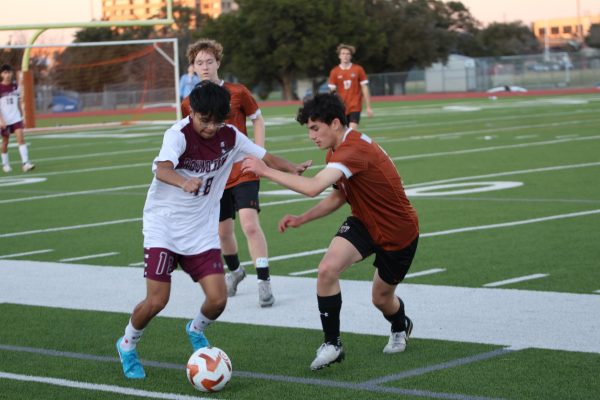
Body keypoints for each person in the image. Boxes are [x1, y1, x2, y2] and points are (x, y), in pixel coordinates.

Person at [116, 81, 310, 379]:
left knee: (218, 299)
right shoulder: (178, 134)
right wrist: (183, 182)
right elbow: (162, 168)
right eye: (204, 120)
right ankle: (128, 343)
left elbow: (264, 157)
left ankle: (195, 330)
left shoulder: (230, 135)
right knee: (158, 300)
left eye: (216, 121)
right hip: (163, 226)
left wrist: (291, 167)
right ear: (192, 111)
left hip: (200, 229)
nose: (209, 127)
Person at [241, 93, 419, 371]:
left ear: (335, 123)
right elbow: (339, 196)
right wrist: (303, 218)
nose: (311, 135)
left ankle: (400, 324)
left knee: (381, 298)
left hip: (397, 230)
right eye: (309, 129)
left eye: (315, 128)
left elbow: (313, 187)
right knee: (326, 269)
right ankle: (332, 344)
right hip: (363, 221)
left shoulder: (353, 149)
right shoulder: (337, 150)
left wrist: (265, 171)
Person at [181, 39, 274, 307]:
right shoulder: (190, 102)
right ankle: (235, 271)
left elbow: (258, 119)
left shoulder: (237, 91)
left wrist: (257, 151)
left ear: (218, 63)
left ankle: (264, 282)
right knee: (222, 233)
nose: (205, 67)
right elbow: (190, 137)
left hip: (244, 168)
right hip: (215, 175)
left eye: (210, 61)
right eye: (200, 62)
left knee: (249, 224)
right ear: (193, 67)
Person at [327, 44, 373, 130]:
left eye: (348, 54)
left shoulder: (358, 69)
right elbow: (332, 92)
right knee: (343, 133)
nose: (345, 56)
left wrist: (368, 107)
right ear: (339, 56)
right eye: (343, 53)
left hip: (355, 106)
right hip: (341, 107)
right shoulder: (334, 71)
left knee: (351, 131)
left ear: (351, 56)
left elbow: (364, 87)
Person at [0, 64, 35, 173]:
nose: (7, 75)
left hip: (16, 118)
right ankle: (5, 163)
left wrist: (21, 117)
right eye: (5, 72)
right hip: (5, 120)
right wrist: (1, 120)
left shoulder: (16, 86)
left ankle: (25, 163)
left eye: (9, 72)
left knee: (21, 139)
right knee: (5, 142)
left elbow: (18, 102)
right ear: (1, 74)